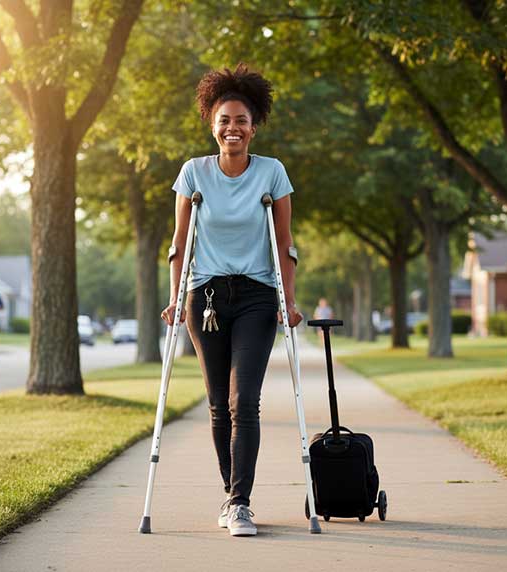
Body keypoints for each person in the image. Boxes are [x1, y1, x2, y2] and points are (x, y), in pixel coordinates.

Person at [161, 64, 302, 538]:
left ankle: (240, 502)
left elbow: (284, 244)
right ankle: (231, 493)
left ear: (253, 125)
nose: (232, 128)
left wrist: (290, 300)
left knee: (245, 401)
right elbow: (180, 244)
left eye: (241, 120)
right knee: (219, 405)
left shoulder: (272, 173)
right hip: (206, 298)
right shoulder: (192, 173)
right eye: (224, 120)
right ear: (212, 124)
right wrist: (176, 297)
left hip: (259, 296)